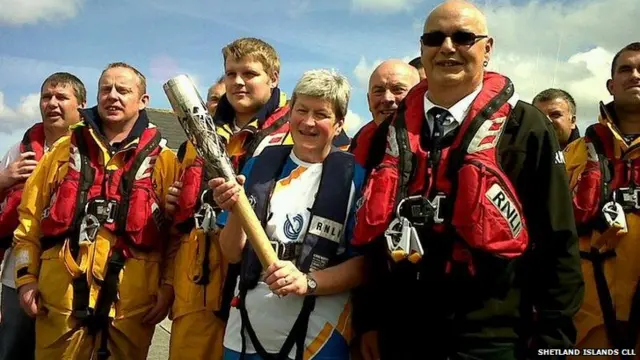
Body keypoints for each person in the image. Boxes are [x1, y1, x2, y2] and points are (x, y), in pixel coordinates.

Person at [352, 1, 584, 359]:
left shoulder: (528, 127)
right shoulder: (389, 134)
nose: (447, 47)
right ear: (422, 49)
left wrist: (554, 343)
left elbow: (558, 241)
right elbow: (371, 244)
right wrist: (368, 320)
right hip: (401, 332)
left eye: (462, 37)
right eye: (434, 38)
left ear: (487, 49)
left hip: (492, 335)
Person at [167, 37, 353, 360]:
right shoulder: (210, 142)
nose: (238, 82)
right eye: (231, 74)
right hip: (214, 293)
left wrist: (308, 282)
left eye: (249, 74)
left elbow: (362, 261)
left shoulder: (342, 164)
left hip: (310, 319)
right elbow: (219, 241)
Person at [12, 62, 179, 360]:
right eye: (106, 89)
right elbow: (29, 223)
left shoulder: (165, 161)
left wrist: (167, 287)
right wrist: (26, 278)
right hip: (58, 304)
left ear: (143, 101)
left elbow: (176, 236)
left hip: (131, 309)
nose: (112, 96)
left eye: (123, 90)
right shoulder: (62, 152)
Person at [210, 68, 365, 360]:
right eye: (301, 110)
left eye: (321, 114)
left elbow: (363, 265)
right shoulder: (258, 166)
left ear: (339, 123)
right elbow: (231, 253)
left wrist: (308, 282)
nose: (308, 122)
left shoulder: (356, 177)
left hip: (320, 330)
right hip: (247, 324)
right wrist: (234, 211)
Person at [0, 72, 86, 360]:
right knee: (10, 350)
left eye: (62, 97)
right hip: (17, 275)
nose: (52, 103)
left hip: (70, 278)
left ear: (81, 105)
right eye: (46, 97)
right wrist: (3, 179)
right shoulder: (20, 151)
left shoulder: (93, 150)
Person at [564, 42, 640, 357]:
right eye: (626, 69)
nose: (635, 75)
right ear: (611, 84)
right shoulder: (573, 154)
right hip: (587, 325)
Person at [348, 59, 420, 168]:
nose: (387, 98)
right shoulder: (357, 147)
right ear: (368, 101)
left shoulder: (439, 146)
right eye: (378, 91)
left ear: (419, 96)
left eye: (398, 90)